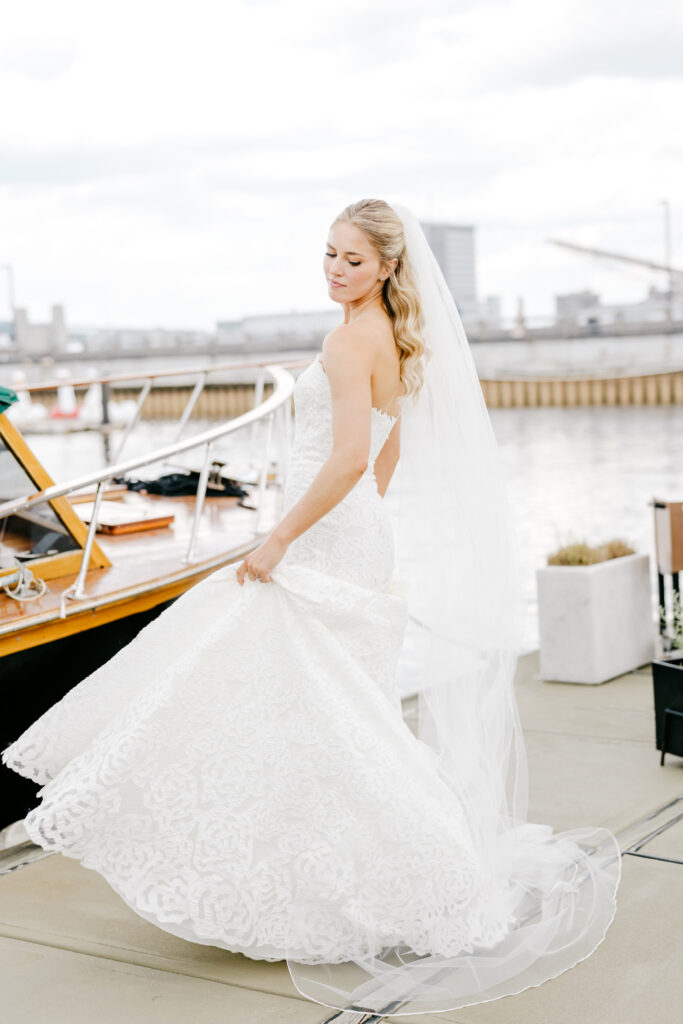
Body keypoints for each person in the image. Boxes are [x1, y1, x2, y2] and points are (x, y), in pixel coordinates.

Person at [1, 199, 620, 1022]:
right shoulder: (395, 339)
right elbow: (381, 458)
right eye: (327, 253)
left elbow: (350, 456)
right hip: (354, 529)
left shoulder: (345, 339)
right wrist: (357, 518)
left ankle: (382, 876)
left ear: (387, 267)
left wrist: (281, 538)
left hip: (324, 534)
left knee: (302, 701)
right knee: (332, 711)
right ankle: (315, 874)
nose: (334, 269)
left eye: (352, 260)